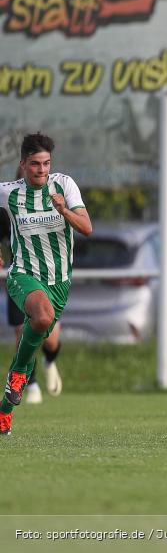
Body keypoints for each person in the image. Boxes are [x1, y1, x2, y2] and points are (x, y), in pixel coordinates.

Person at [1, 133, 92, 436]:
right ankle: (18, 376)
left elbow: (87, 228)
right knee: (41, 317)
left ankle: (4, 411)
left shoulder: (64, 185)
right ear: (23, 164)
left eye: (46, 164)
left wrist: (65, 211)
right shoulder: (8, 193)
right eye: (36, 164)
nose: (42, 170)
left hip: (60, 281)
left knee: (46, 331)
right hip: (23, 274)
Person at [0, 167, 64, 405]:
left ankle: (50, 360)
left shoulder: (52, 200)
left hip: (49, 278)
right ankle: (31, 383)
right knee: (21, 331)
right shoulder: (8, 203)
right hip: (20, 277)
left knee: (50, 337)